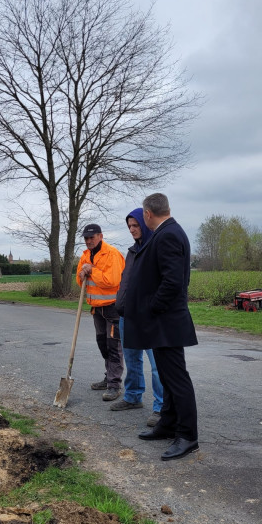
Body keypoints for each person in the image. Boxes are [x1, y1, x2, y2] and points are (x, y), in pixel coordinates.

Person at [123, 194, 199, 460]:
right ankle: (167, 424)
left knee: (177, 380)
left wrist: (152, 307)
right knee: (167, 377)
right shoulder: (168, 231)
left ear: (147, 213)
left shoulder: (167, 235)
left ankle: (188, 435)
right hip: (163, 322)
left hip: (166, 322)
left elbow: (173, 281)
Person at [113, 208, 164, 426]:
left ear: (144, 224)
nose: (132, 230)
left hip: (149, 316)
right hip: (128, 314)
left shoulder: (155, 248)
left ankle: (161, 407)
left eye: (136, 225)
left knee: (157, 364)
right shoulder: (133, 251)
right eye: (129, 226)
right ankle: (133, 397)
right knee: (132, 358)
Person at [76, 223, 125, 401]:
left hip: (112, 308)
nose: (88, 241)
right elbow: (81, 282)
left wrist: (91, 270)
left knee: (113, 345)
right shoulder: (85, 256)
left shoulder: (111, 254)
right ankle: (108, 377)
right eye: (86, 238)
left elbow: (111, 281)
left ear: (100, 236)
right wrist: (81, 275)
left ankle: (114, 384)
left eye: (92, 237)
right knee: (102, 344)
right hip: (96, 308)